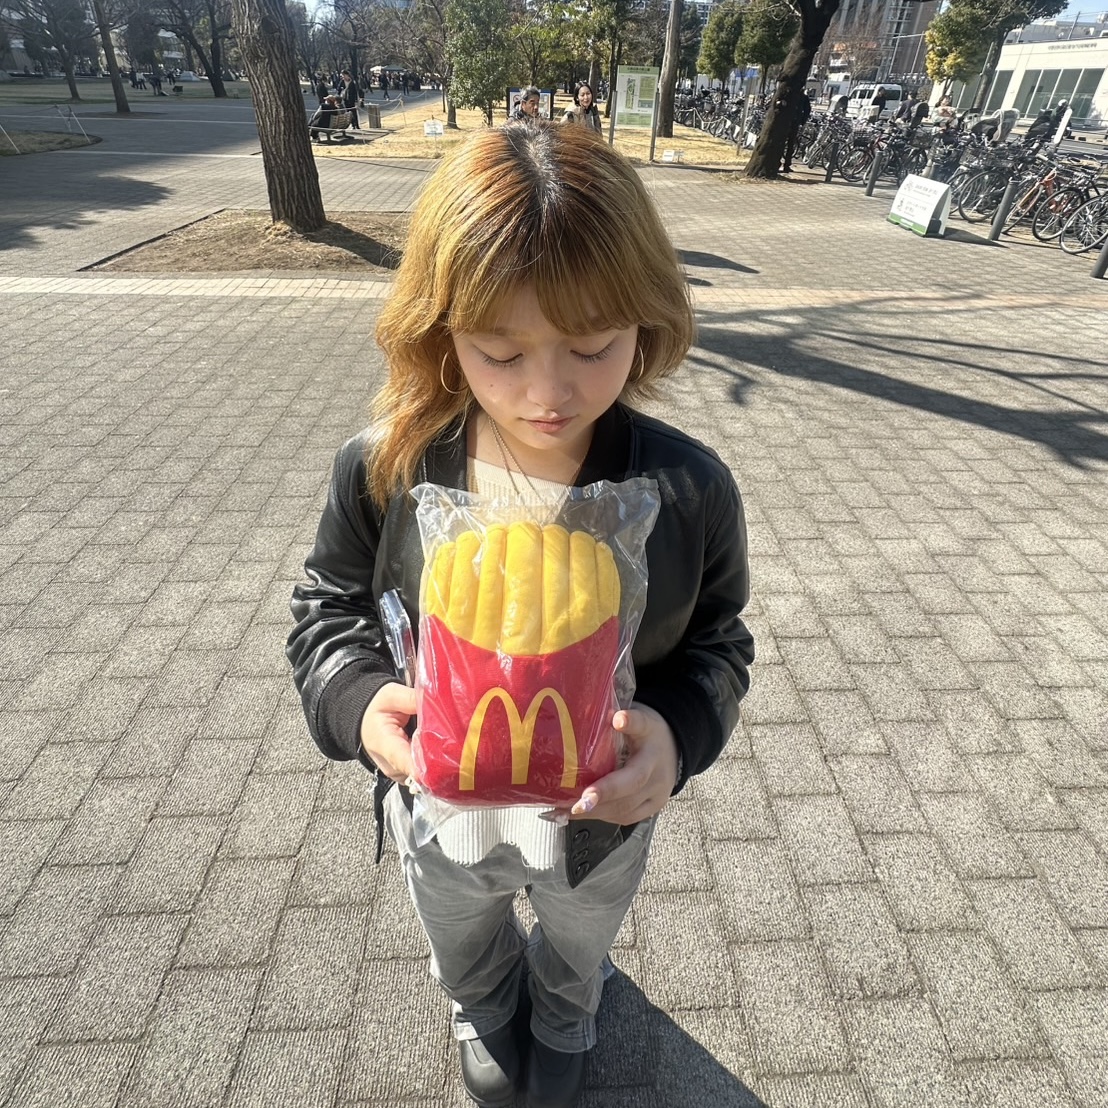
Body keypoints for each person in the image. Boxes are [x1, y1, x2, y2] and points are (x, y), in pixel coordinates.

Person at [286, 122, 754, 1108]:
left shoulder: (685, 487)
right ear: (440, 329)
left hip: (600, 819)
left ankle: (564, 1006)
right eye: (499, 351)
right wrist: (362, 702)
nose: (548, 392)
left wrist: (675, 733)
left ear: (649, 320)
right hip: (441, 801)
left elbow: (716, 637)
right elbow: (328, 605)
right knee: (458, 928)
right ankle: (483, 998)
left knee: (581, 933)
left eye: (592, 346)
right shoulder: (390, 468)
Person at [781, 87, 811, 173]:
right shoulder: (802, 97)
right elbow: (807, 110)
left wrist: (802, 121)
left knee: (786, 144)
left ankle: (784, 164)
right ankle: (786, 165)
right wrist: (802, 121)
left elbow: (807, 110)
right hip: (793, 122)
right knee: (790, 145)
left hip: (788, 122)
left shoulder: (791, 95)